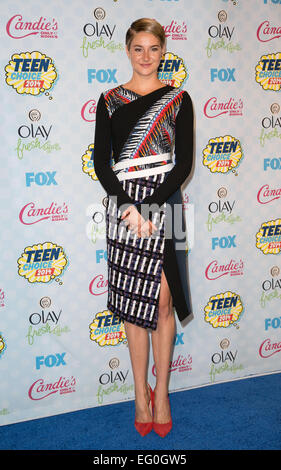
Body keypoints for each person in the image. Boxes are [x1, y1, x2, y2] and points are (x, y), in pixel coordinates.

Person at [93, 18, 194, 438]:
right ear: (128, 50)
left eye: (154, 48)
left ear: (163, 51)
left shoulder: (179, 99)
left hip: (166, 206)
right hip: (124, 211)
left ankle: (164, 392)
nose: (146, 56)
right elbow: (102, 162)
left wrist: (152, 208)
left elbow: (184, 163)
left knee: (163, 304)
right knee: (135, 307)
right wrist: (129, 208)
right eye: (139, 48)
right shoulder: (110, 100)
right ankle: (140, 393)